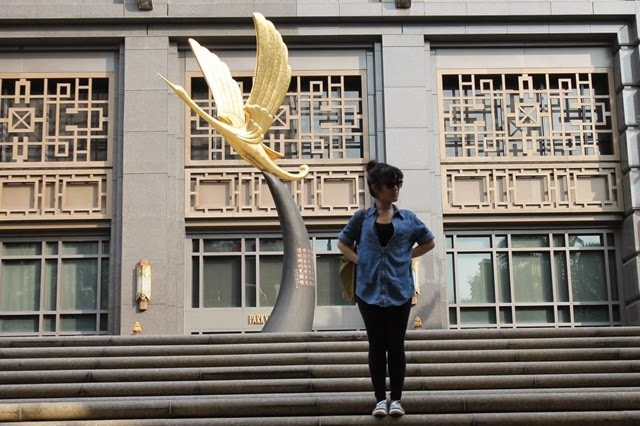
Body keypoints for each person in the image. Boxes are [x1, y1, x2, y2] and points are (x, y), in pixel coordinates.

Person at [337, 160, 435, 417]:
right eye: (391, 185)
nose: (396, 189)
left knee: (396, 346)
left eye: (398, 184)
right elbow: (342, 243)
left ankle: (397, 400)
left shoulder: (408, 218)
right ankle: (380, 399)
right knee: (377, 346)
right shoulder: (361, 218)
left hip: (399, 291)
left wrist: (406, 255)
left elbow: (429, 242)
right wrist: (359, 260)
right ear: (376, 188)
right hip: (368, 292)